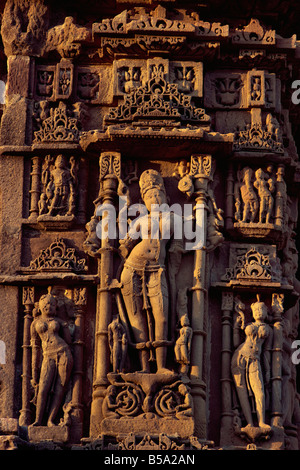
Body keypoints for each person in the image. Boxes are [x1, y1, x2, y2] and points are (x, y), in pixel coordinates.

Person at [119, 169, 183, 373]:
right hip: (132, 269)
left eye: (158, 194)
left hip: (158, 271)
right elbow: (123, 246)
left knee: (162, 317)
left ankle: (162, 366)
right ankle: (144, 367)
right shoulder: (140, 221)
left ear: (167, 197)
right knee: (138, 321)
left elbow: (177, 248)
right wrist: (123, 204)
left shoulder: (174, 219)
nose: (154, 199)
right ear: (143, 201)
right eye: (149, 196)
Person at [30, 293, 73, 427]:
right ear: (41, 306)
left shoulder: (59, 322)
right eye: (46, 304)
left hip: (63, 352)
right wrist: (33, 372)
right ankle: (38, 420)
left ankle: (50, 420)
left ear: (56, 308)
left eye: (52, 304)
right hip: (47, 355)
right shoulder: (35, 323)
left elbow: (69, 341)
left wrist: (68, 327)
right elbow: (34, 348)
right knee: (43, 388)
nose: (49, 306)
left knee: (60, 388)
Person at [231, 297, 272, 431]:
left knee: (259, 391)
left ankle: (261, 421)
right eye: (256, 309)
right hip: (240, 357)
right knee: (241, 389)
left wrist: (268, 371)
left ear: (266, 313)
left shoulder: (269, 329)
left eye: (262, 309)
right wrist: (236, 326)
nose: (259, 312)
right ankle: (249, 422)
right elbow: (236, 343)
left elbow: (266, 351)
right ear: (252, 312)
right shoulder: (248, 325)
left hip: (255, 360)